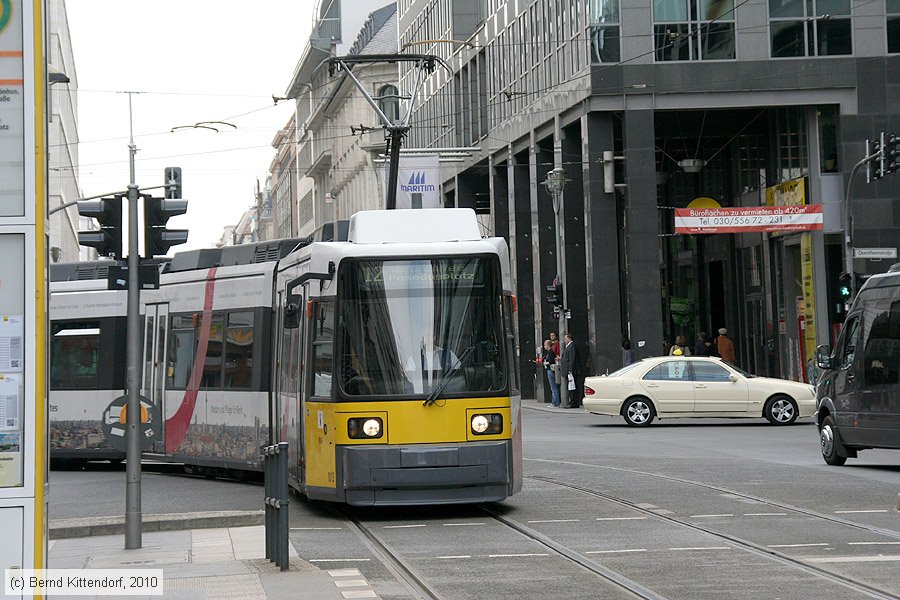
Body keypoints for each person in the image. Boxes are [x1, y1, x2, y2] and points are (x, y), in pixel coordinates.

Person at [560, 332, 583, 408]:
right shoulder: (569, 347)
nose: (564, 340)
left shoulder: (572, 346)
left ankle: (573, 402)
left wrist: (570, 370)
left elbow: (572, 358)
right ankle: (573, 401)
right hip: (570, 371)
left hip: (571, 371)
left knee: (572, 387)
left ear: (569, 338)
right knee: (571, 386)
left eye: (565, 339)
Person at [541, 340, 561, 407]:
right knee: (554, 387)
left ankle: (555, 402)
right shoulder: (550, 352)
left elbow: (551, 361)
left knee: (553, 387)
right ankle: (555, 402)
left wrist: (545, 363)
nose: (544, 346)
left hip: (550, 370)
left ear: (548, 345)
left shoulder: (550, 352)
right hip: (551, 370)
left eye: (545, 345)